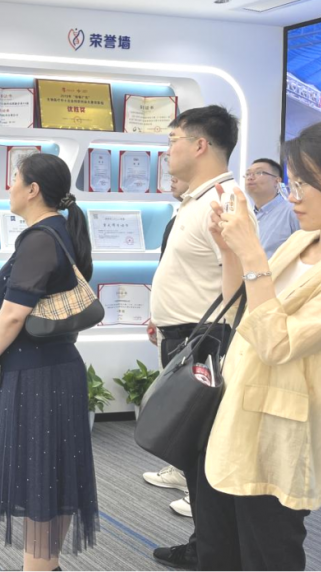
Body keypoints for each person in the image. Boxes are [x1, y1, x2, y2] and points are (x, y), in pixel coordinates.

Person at [199, 121, 321, 570]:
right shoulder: (302, 240)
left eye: (306, 183)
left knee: (270, 552)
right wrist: (230, 251)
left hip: (284, 433)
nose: (294, 197)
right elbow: (243, 312)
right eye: (294, 182)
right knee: (223, 548)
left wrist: (253, 254)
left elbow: (277, 343)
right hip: (241, 410)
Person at [148, 105, 257, 570]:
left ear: (199, 145)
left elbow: (242, 285)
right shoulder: (198, 199)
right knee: (193, 453)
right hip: (185, 339)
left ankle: (215, 555)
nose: (167, 150)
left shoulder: (226, 201)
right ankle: (205, 546)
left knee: (204, 454)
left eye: (173, 140)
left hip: (207, 343)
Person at [0, 153, 98, 572]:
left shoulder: (40, 238)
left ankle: (40, 567)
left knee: (39, 478)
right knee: (53, 475)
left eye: (15, 178)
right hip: (54, 369)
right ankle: (47, 565)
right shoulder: (59, 231)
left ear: (32, 189)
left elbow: (13, 314)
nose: (9, 186)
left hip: (37, 375)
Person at [143, 177, 189, 495]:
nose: (171, 178)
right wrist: (157, 317)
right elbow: (167, 270)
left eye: (177, 174)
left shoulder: (212, 209)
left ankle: (194, 488)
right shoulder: (180, 216)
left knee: (190, 404)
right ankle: (181, 470)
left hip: (193, 327)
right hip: (170, 322)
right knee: (174, 401)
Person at [245, 157, 300, 257]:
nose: (250, 177)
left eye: (259, 172)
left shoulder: (292, 211)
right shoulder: (246, 215)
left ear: (277, 181)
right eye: (248, 174)